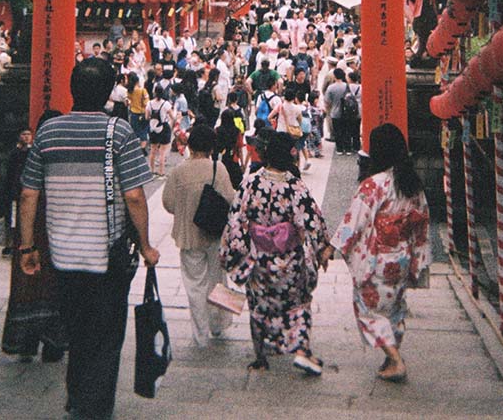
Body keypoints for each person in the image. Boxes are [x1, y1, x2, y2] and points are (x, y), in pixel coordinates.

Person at [18, 57, 160, 420]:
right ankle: (91, 409)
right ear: (109, 92)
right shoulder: (120, 132)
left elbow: (29, 193)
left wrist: (27, 246)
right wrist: (145, 245)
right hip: (105, 256)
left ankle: (76, 397)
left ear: (72, 89)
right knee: (107, 337)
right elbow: (133, 196)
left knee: (77, 331)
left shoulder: (48, 133)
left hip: (63, 256)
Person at [322, 123, 431, 382]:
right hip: (402, 256)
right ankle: (390, 358)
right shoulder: (412, 184)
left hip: (378, 258)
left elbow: (354, 221)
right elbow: (422, 220)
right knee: (394, 307)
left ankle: (395, 359)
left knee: (368, 310)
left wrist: (331, 248)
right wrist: (418, 258)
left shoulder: (375, 185)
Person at [220, 132, 328, 375]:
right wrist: (322, 248)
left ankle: (261, 357)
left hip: (259, 258)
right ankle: (301, 350)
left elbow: (236, 218)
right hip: (289, 260)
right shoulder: (294, 185)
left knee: (259, 306)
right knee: (297, 304)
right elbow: (313, 220)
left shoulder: (251, 182)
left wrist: (232, 252)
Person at [160, 124, 237, 346]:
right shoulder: (218, 169)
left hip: (188, 235)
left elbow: (168, 203)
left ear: (190, 145)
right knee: (217, 280)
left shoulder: (178, 172)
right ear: (211, 147)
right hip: (214, 233)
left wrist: (186, 210)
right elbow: (231, 199)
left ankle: (200, 334)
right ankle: (218, 325)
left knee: (195, 285)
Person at [1, 111, 65, 363]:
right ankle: (53, 343)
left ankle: (26, 342)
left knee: (27, 284)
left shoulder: (26, 157)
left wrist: (23, 242)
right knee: (53, 283)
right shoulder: (61, 160)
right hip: (54, 230)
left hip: (28, 229)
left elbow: (21, 194)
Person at [2, 128, 34, 257]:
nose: (26, 137)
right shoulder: (14, 153)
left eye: (28, 134)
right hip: (15, 187)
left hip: (27, 186)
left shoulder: (33, 153)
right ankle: (9, 243)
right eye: (23, 134)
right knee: (12, 218)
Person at [146, 84, 175, 176]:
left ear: (154, 93)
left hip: (153, 128)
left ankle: (151, 169)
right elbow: (172, 117)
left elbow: (147, 117)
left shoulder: (149, 103)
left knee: (153, 150)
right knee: (162, 152)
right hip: (164, 127)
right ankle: (161, 171)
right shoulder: (166, 104)